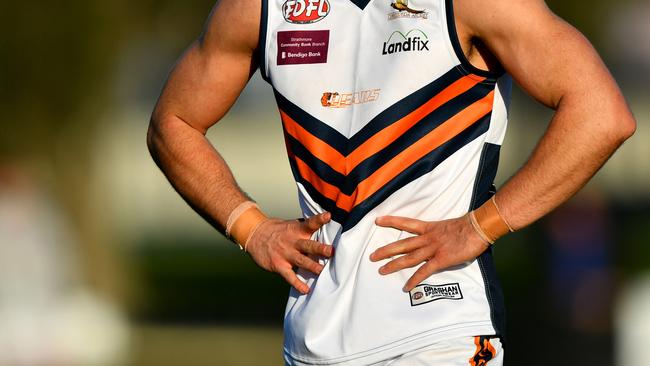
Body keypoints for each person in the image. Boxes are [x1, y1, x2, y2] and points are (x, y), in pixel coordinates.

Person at [147, 0, 636, 364]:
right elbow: (173, 122)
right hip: (314, 340)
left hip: (438, 330)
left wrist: (480, 226)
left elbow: (600, 114)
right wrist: (250, 227)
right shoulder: (260, 9)